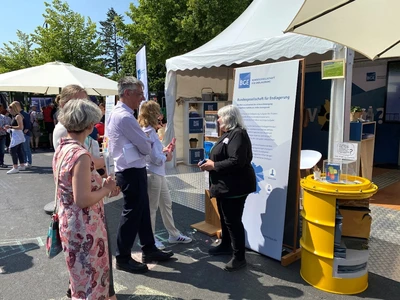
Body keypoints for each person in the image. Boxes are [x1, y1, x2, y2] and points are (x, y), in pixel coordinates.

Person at [107, 76, 173, 274]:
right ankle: (123, 257)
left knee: (142, 211)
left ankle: (149, 248)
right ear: (127, 93)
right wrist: (146, 142)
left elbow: (142, 144)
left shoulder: (119, 113)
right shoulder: (125, 116)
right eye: (139, 94)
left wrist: (144, 142)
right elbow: (145, 147)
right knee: (133, 214)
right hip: (130, 170)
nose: (142, 98)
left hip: (131, 169)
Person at [54, 98, 119, 300]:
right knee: (92, 281)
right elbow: (82, 199)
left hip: (71, 223)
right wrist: (106, 188)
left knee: (80, 280)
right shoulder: (80, 155)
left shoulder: (63, 148)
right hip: (85, 226)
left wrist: (101, 184)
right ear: (90, 125)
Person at [199, 105, 256, 272]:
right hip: (226, 186)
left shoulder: (238, 134)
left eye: (220, 117)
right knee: (225, 218)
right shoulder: (228, 134)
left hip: (235, 187)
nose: (217, 120)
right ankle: (225, 245)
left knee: (233, 221)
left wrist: (213, 165)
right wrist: (207, 163)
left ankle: (239, 258)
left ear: (229, 118)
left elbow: (236, 161)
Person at [138, 101, 192, 250]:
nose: (160, 116)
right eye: (157, 113)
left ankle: (173, 234)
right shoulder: (148, 132)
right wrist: (166, 155)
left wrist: (165, 151)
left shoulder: (149, 132)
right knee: (152, 208)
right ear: (152, 114)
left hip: (157, 174)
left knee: (166, 204)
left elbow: (154, 154)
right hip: (153, 174)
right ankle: (151, 239)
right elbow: (154, 157)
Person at [5, 101, 26, 174]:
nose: (9, 110)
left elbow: (21, 127)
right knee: (19, 150)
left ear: (13, 109)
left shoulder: (18, 116)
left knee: (12, 150)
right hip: (16, 136)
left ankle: (15, 167)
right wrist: (9, 128)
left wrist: (10, 126)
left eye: (10, 109)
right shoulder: (15, 116)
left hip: (17, 136)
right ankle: (22, 165)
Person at [18, 103, 33, 168]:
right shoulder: (19, 114)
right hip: (21, 133)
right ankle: (24, 162)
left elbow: (29, 124)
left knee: (26, 148)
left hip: (24, 134)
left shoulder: (24, 114)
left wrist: (26, 129)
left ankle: (28, 162)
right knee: (23, 149)